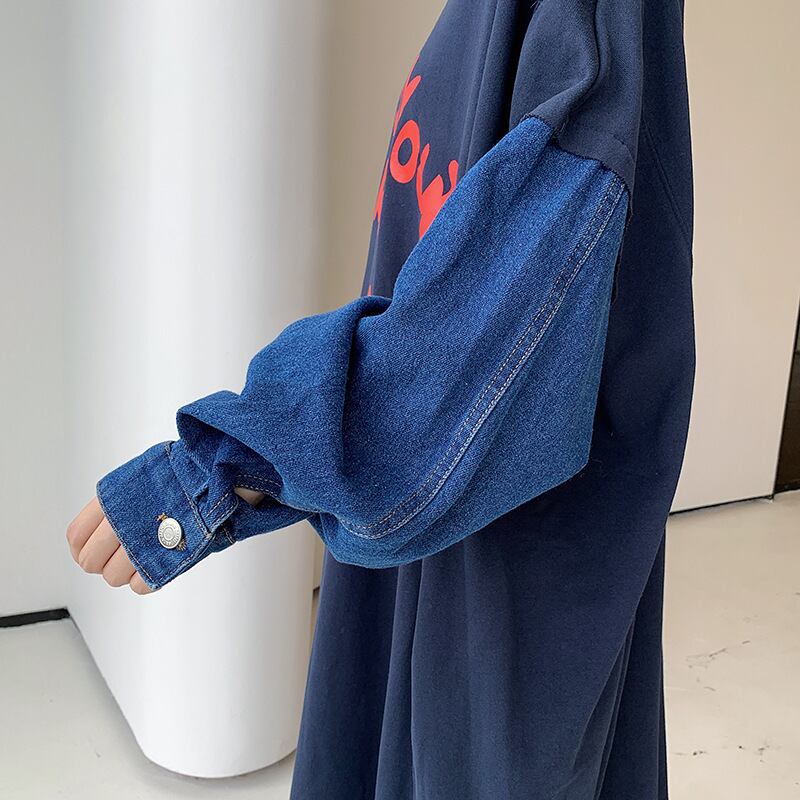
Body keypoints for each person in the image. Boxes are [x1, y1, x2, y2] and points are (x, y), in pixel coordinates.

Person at [67, 1, 694, 797]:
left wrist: (220, 469)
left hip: (505, 579)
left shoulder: (593, 23)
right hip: (427, 538)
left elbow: (490, 334)